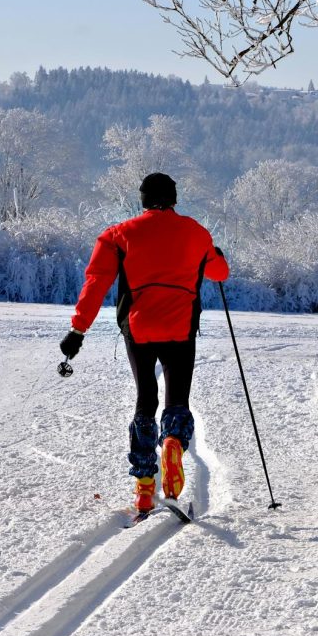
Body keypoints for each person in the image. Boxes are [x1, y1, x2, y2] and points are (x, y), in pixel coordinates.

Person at [59, 172, 229, 514]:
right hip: (180, 326)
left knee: (145, 398)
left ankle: (143, 486)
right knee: (177, 399)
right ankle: (172, 444)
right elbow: (219, 273)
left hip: (138, 328)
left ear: (143, 199)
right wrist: (217, 255)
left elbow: (95, 283)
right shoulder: (196, 233)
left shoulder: (118, 235)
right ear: (175, 198)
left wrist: (77, 331)